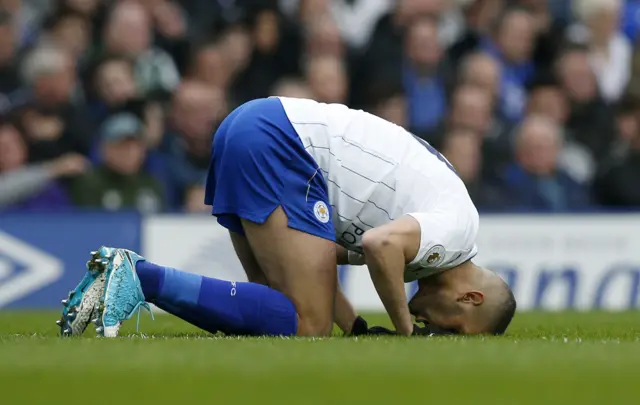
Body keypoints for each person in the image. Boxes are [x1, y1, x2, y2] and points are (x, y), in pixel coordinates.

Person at [58, 97, 516, 339]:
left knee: (279, 312)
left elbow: (319, 264)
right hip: (284, 144)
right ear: (470, 298)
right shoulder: (456, 232)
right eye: (452, 329)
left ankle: (116, 284)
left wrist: (354, 327)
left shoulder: (427, 244)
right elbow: (380, 246)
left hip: (259, 128)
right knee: (307, 325)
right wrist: (405, 329)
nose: (437, 330)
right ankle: (139, 276)